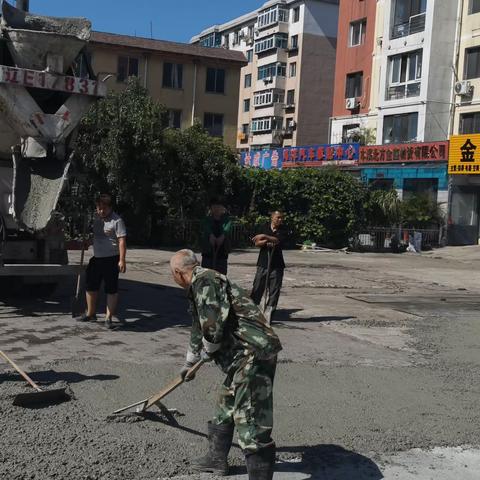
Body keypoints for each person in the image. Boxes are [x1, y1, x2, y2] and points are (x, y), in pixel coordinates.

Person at [170, 249, 282, 480]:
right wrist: (190, 360)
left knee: (250, 419)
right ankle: (216, 458)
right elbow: (198, 325)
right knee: (226, 403)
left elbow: (212, 326)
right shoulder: (198, 286)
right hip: (240, 357)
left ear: (179, 273)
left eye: (172, 275)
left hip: (252, 352)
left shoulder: (206, 280)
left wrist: (209, 349)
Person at [77, 194, 127, 329]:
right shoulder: (96, 219)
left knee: (111, 289)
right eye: (99, 208)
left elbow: (122, 241)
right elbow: (96, 236)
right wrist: (87, 242)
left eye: (104, 208)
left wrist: (122, 260)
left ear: (110, 208)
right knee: (90, 286)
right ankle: (91, 313)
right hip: (97, 258)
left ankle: (108, 318)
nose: (101, 211)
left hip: (111, 259)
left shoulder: (117, 221)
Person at [251, 211, 287, 324]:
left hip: (277, 265)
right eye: (278, 217)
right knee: (257, 287)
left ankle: (269, 314)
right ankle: (252, 312)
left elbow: (278, 240)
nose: (280, 220)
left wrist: (264, 237)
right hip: (263, 263)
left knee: (274, 290)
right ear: (272, 217)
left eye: (282, 218)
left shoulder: (283, 230)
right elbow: (256, 242)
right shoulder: (264, 227)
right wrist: (267, 240)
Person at [201, 196, 232, 275]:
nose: (217, 208)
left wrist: (222, 236)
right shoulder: (207, 219)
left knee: (221, 276)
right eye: (214, 206)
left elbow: (227, 229)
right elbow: (206, 228)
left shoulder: (227, 220)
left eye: (219, 206)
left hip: (222, 253)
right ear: (210, 208)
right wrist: (211, 235)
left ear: (223, 208)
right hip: (208, 252)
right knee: (206, 274)